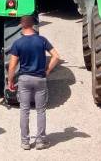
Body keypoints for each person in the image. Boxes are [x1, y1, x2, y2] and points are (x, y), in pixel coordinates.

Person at [7, 15, 61, 150]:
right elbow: (56, 56)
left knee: (24, 110)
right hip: (40, 79)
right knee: (40, 110)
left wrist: (10, 81)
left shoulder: (18, 43)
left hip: (24, 80)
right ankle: (40, 141)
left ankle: (25, 141)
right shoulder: (42, 40)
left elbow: (12, 66)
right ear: (33, 25)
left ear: (22, 25)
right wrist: (47, 71)